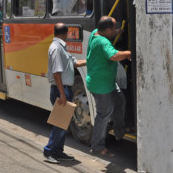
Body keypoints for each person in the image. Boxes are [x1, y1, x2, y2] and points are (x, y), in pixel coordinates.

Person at [85, 16, 131, 156]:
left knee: (120, 98)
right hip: (101, 86)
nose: (114, 31)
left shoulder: (95, 33)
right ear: (108, 29)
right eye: (113, 28)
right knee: (103, 114)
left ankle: (119, 129)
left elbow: (109, 33)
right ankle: (97, 146)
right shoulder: (103, 42)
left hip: (105, 83)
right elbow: (114, 56)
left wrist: (117, 32)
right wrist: (130, 53)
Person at [43, 23, 85, 164]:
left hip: (64, 89)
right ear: (65, 33)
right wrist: (62, 93)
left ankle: (58, 151)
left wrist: (92, 60)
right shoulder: (56, 48)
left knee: (63, 123)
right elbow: (56, 73)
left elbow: (75, 63)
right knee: (59, 123)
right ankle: (49, 150)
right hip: (60, 90)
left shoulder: (61, 47)